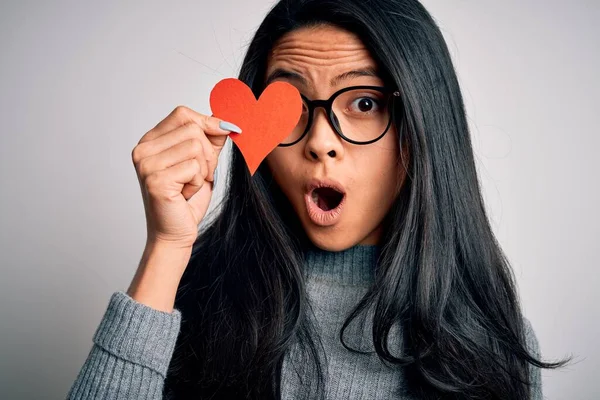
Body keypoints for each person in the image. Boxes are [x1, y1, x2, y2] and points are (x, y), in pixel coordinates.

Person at [66, 0, 572, 399]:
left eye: (365, 103)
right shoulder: (191, 302)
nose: (319, 141)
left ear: (421, 129)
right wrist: (167, 248)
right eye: (289, 107)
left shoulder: (490, 338)